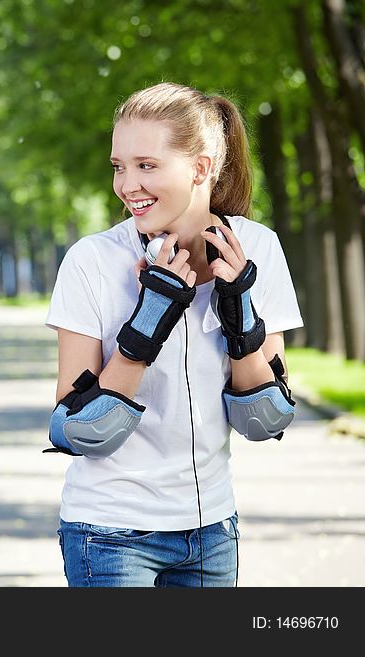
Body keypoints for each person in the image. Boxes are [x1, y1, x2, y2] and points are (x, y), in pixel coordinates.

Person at [43, 82, 304, 587]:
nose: (127, 185)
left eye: (147, 165)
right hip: (110, 531)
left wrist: (240, 318)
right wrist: (149, 322)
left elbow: (264, 419)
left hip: (211, 531)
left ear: (201, 168)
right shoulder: (92, 260)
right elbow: (80, 430)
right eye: (120, 166)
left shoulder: (257, 251)